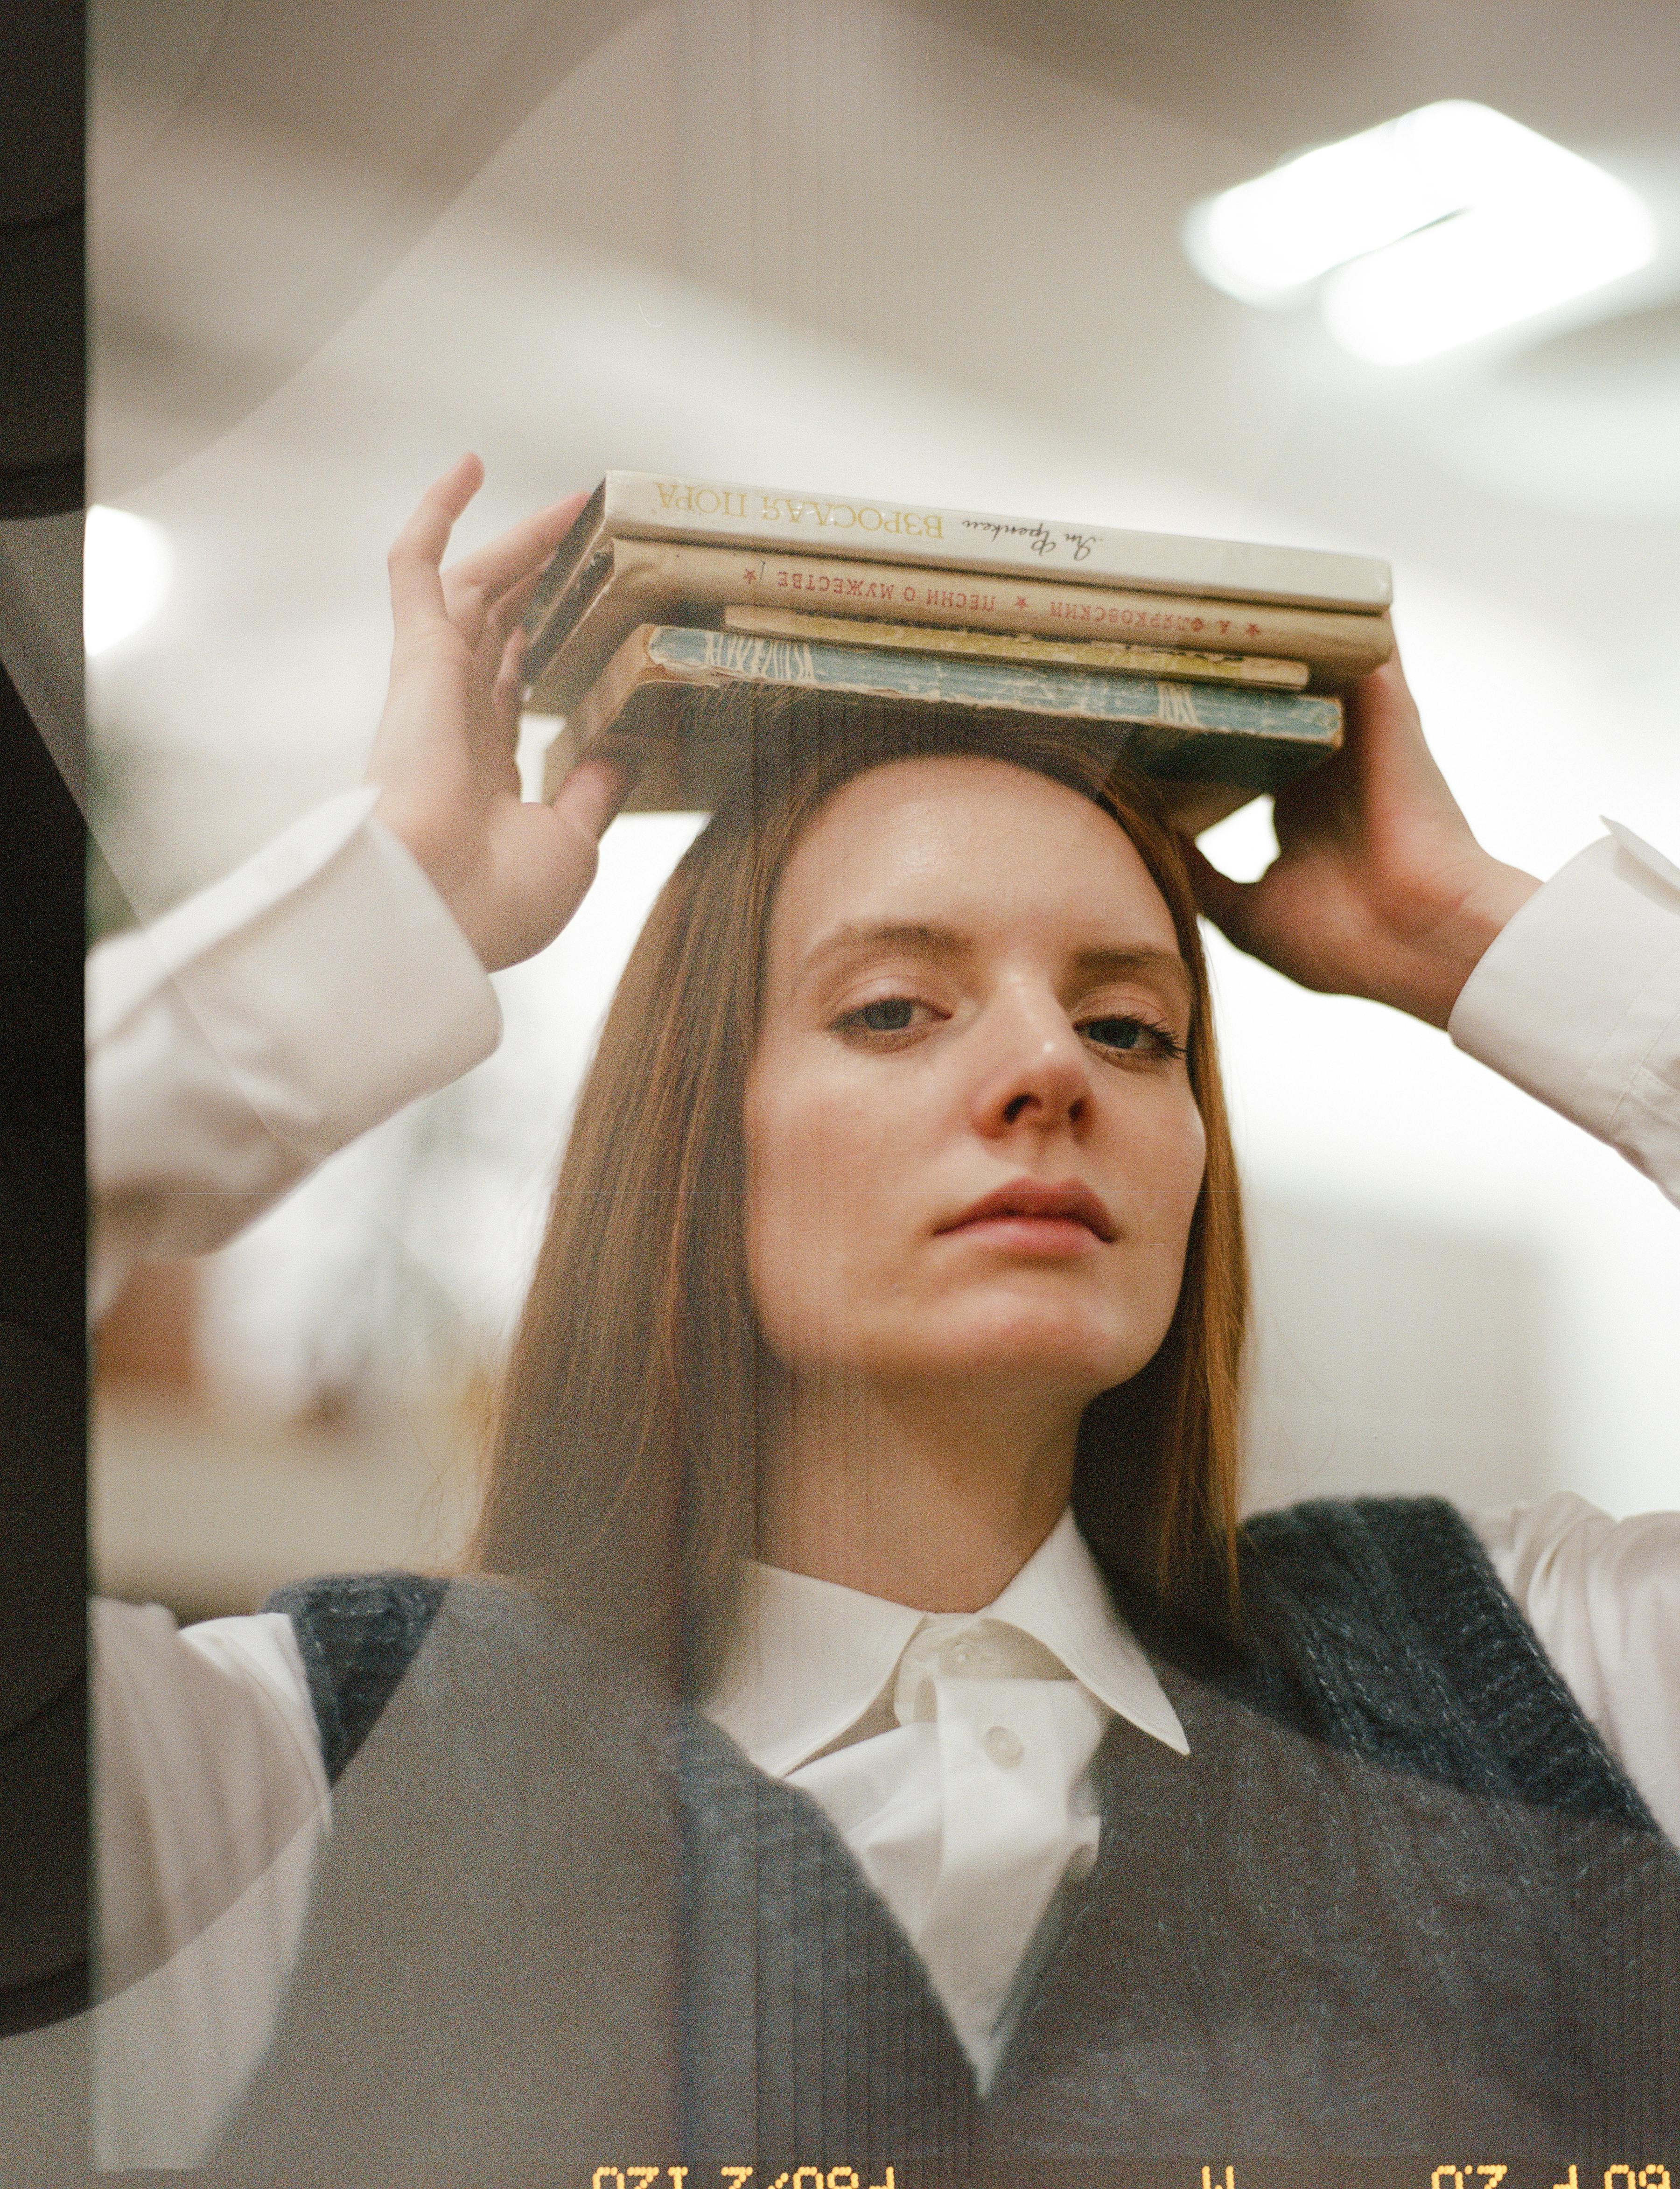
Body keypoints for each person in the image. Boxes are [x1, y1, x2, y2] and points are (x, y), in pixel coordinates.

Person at [89, 460, 1680, 2176]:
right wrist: (398, 898)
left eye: (1133, 1028)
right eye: (897, 1006)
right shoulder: (302, 1776)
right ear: (694, 1145)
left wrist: (1465, 931)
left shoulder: (1546, 1669)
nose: (1047, 1070)